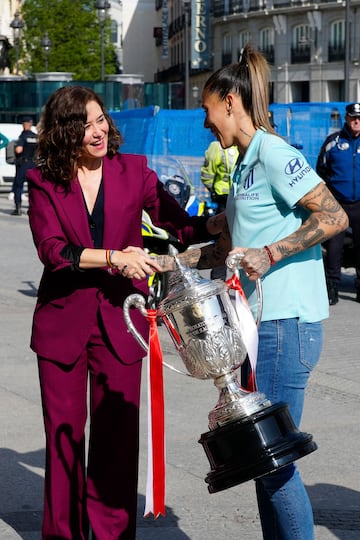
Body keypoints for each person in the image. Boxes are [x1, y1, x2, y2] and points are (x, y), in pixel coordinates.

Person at [158, 44, 348, 540]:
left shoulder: (274, 153)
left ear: (228, 101)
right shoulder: (242, 164)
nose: (204, 123)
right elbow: (229, 248)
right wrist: (168, 263)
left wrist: (274, 253)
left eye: (205, 109)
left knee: (273, 459)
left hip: (286, 325)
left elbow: (333, 216)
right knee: (260, 463)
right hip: (257, 325)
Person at [26, 85, 224, 540]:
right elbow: (53, 251)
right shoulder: (43, 181)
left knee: (117, 440)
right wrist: (116, 257)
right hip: (62, 326)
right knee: (64, 439)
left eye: (100, 120)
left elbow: (180, 224)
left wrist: (221, 222)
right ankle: (63, 534)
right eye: (83, 124)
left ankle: (112, 534)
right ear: (62, 132)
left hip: (122, 322)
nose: (96, 132)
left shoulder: (134, 170)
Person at [316, 102, 360, 305]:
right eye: (353, 118)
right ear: (346, 118)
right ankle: (332, 286)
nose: (357, 122)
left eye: (359, 118)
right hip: (338, 204)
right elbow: (321, 171)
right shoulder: (333, 142)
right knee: (334, 248)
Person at [201, 140, 239, 280]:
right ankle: (219, 272)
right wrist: (211, 188)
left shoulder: (231, 148)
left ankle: (224, 270)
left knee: (229, 233)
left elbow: (208, 171)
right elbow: (208, 171)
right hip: (226, 196)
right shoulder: (218, 147)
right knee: (223, 233)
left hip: (231, 196)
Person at [11, 116, 37, 216]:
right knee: (33, 187)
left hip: (23, 164)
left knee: (18, 185)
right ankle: (33, 207)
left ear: (24, 124)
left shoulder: (23, 136)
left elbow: (19, 150)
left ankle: (18, 208)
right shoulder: (36, 137)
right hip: (34, 164)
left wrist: (15, 147)